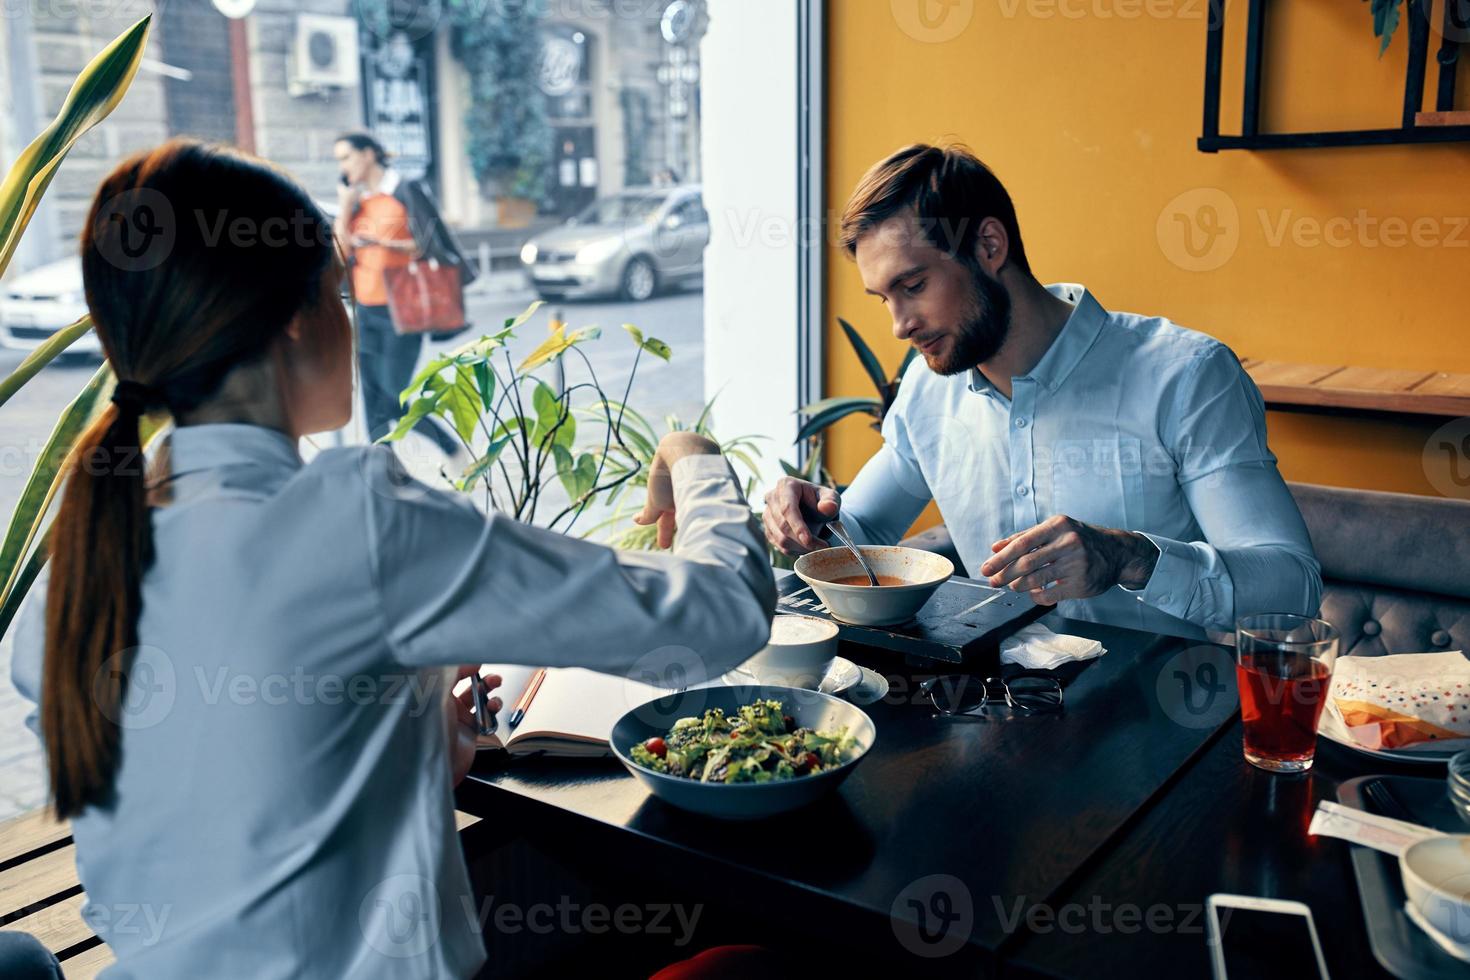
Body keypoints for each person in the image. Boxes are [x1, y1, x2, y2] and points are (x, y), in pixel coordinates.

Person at [11, 139, 774, 978]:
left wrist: (414, 732)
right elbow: (720, 614)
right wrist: (695, 451)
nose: (354, 314)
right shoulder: (355, 519)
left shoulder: (71, 581)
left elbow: (186, 845)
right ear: (296, 318)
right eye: (341, 291)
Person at [764, 143, 1321, 639]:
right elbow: (857, 540)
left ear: (988, 245)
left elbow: (1292, 588)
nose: (899, 325)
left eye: (913, 286)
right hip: (986, 719)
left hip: (1161, 728)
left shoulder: (1187, 376)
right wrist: (810, 521)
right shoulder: (927, 393)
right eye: (883, 298)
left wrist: (1130, 558)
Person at [332, 132, 473, 454]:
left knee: (393, 394)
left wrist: (385, 244)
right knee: (371, 396)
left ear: (368, 154)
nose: (342, 166)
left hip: (403, 308)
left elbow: (429, 242)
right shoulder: (357, 201)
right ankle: (381, 466)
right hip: (366, 307)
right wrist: (344, 207)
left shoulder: (405, 189)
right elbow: (341, 252)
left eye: (346, 157)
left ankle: (451, 448)